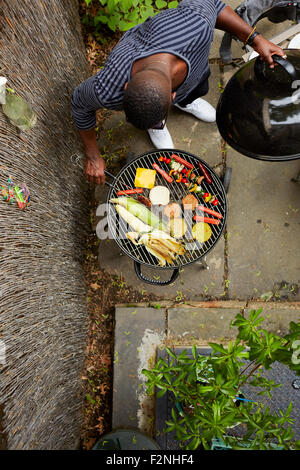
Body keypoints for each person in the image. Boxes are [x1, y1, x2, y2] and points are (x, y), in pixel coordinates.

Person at [71, 0, 285, 185]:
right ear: (126, 87)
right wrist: (92, 156)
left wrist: (256, 40)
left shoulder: (194, 25)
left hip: (193, 67)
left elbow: (215, 5)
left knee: (198, 86)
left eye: (158, 121)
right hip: (157, 61)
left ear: (173, 96)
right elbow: (79, 103)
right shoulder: (109, 85)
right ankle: (155, 126)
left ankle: (187, 102)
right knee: (153, 110)